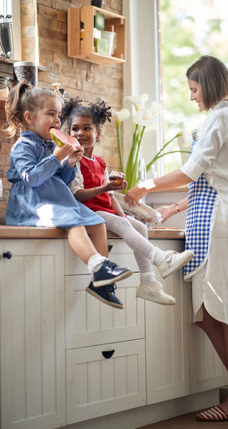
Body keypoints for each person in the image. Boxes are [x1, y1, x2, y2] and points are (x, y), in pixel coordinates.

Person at [125, 56, 228, 421]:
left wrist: (146, 185)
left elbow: (192, 171)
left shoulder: (220, 117)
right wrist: (172, 210)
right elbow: (208, 177)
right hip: (212, 213)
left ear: (209, 85)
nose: (191, 96)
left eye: (193, 89)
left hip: (217, 220)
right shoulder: (226, 117)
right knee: (206, 314)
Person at [4, 82, 134, 310]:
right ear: (30, 117)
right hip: (33, 204)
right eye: (51, 114)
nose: (57, 121)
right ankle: (97, 264)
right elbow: (32, 178)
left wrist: (70, 164)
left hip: (56, 199)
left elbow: (61, 180)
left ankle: (101, 283)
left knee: (97, 222)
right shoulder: (22, 146)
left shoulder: (49, 144)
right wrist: (56, 157)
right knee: (74, 223)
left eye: (59, 115)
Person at [60, 97, 194, 305]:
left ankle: (148, 282)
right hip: (88, 211)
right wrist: (106, 189)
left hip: (105, 211)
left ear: (98, 133)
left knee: (139, 226)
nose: (80, 133)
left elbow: (110, 197)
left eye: (86, 128)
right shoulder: (74, 161)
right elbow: (77, 194)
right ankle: (161, 258)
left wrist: (123, 215)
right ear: (69, 134)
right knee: (124, 223)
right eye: (75, 129)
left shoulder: (100, 162)